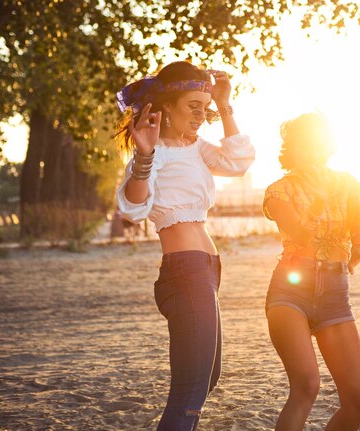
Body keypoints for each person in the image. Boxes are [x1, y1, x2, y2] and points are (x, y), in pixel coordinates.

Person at [115, 61, 255, 431]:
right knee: (190, 392)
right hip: (185, 270)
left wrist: (224, 105)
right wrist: (144, 157)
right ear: (169, 105)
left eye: (204, 106)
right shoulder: (154, 151)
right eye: (193, 104)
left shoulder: (195, 147)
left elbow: (238, 162)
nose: (200, 114)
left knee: (209, 378)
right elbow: (133, 207)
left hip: (208, 269)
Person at [263, 113, 360, 430]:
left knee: (358, 401)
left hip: (335, 294)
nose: (315, 150)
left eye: (320, 142)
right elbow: (300, 235)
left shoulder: (347, 183)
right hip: (290, 291)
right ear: (294, 148)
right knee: (306, 387)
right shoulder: (278, 191)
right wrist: (318, 203)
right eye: (307, 144)